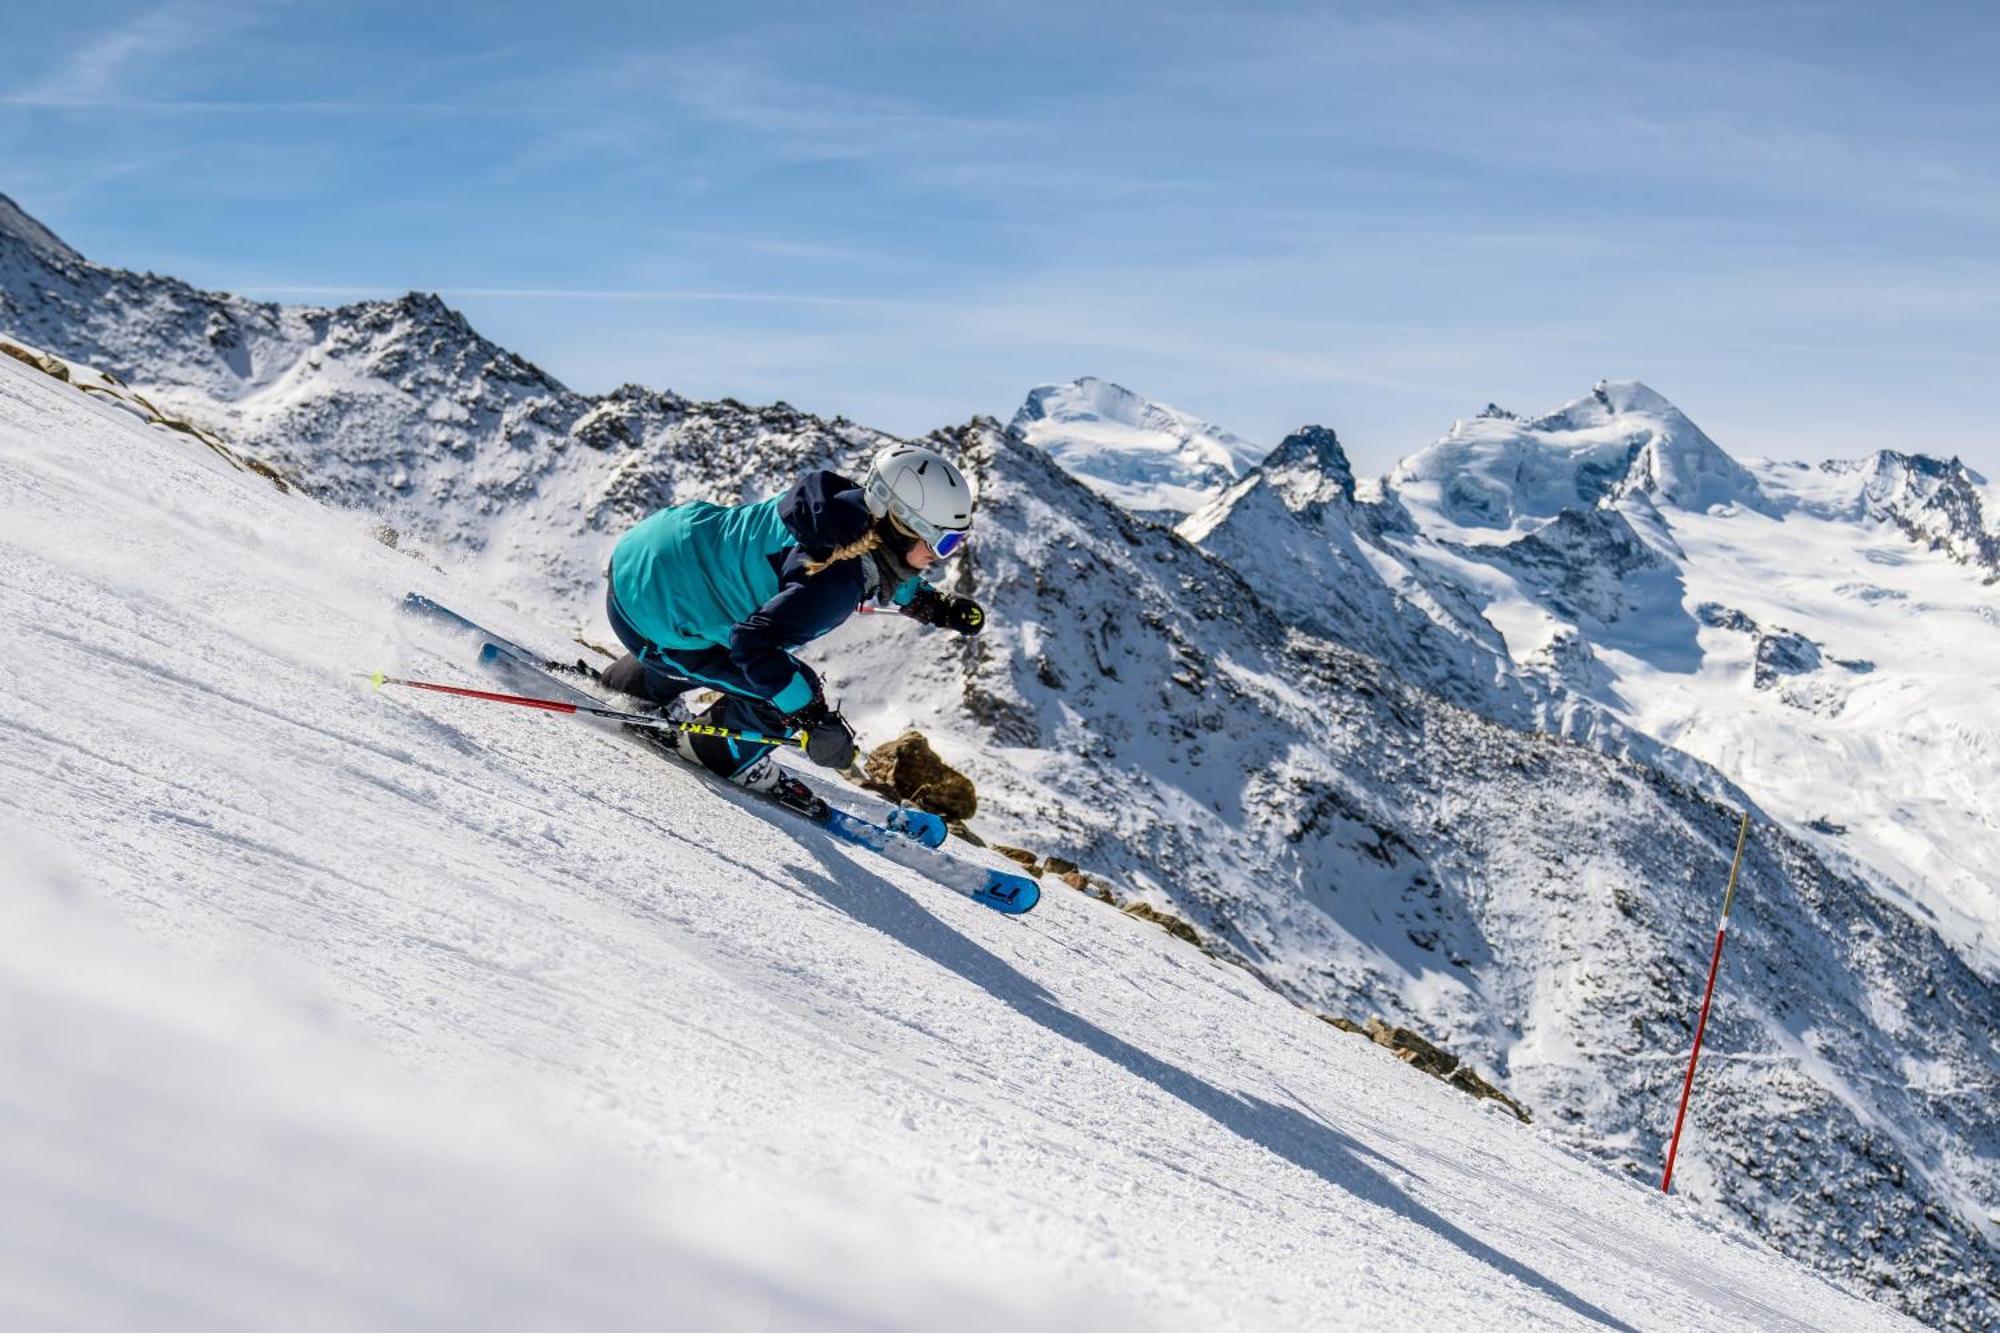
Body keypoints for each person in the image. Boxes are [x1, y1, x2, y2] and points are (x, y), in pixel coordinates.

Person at [599, 443, 987, 798]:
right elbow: (753, 644)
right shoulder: (835, 585)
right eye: (943, 542)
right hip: (648, 622)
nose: (944, 555)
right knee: (787, 695)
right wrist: (812, 718)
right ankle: (716, 753)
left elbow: (873, 561)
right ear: (900, 525)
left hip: (641, 566)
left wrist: (931, 603)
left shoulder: (836, 508)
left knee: (712, 621)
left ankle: (631, 687)